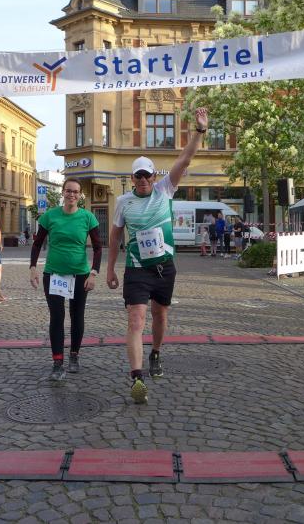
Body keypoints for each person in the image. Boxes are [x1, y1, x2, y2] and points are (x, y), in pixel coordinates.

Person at [107, 106, 209, 405]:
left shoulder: (165, 190)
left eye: (147, 175)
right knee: (135, 320)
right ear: (132, 178)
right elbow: (114, 237)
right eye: (138, 176)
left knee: (160, 315)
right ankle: (136, 378)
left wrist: (199, 130)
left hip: (164, 268)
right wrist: (110, 269)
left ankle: (155, 352)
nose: (143, 179)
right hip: (137, 269)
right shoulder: (123, 202)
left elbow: (185, 159)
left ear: (154, 176)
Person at [30, 178, 102, 381]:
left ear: (80, 195)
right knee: (57, 317)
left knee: (77, 316)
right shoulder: (50, 216)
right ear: (63, 192)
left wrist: (93, 273)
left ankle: (74, 355)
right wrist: (33, 267)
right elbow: (37, 244)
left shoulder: (88, 218)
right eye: (68, 190)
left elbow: (98, 248)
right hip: (54, 274)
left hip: (80, 275)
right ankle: (57, 362)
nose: (72, 194)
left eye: (76, 192)